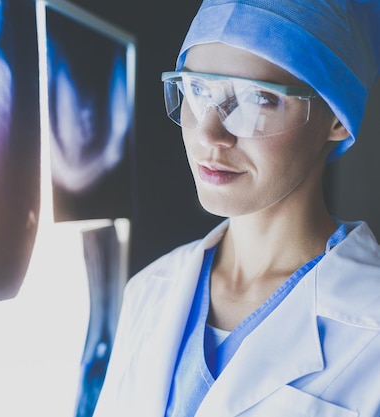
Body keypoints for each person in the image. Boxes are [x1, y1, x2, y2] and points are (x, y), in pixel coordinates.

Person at [92, 0, 380, 416]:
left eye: (256, 99)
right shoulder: (148, 291)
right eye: (197, 91)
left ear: (336, 117)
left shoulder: (369, 323)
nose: (209, 133)